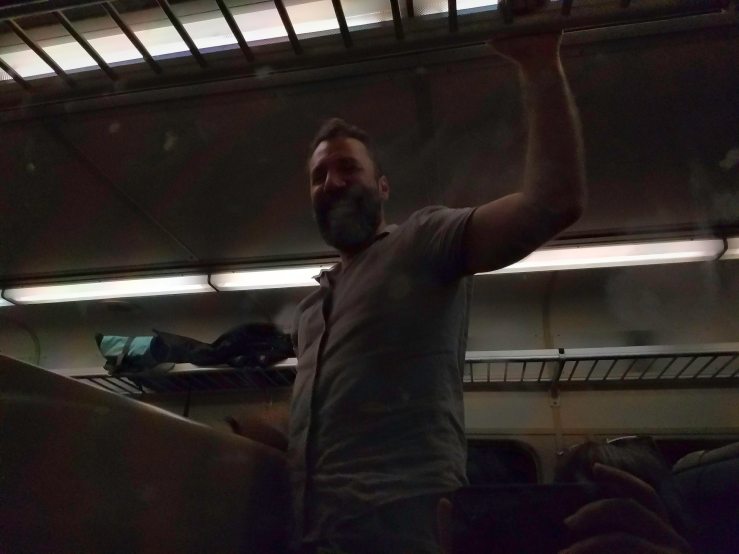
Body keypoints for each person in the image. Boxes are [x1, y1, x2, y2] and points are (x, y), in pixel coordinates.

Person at [287, 31, 586, 553]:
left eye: (347, 167)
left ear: (383, 187)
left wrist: (539, 62)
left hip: (404, 535)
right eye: (318, 176)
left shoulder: (421, 242)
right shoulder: (311, 312)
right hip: (310, 539)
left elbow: (553, 202)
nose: (331, 182)